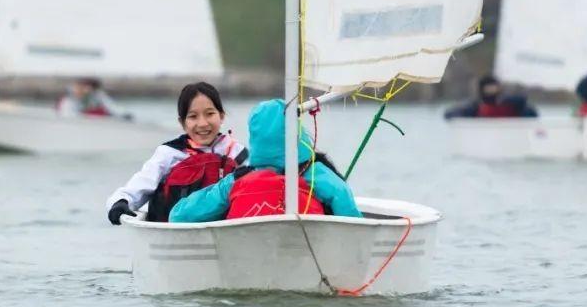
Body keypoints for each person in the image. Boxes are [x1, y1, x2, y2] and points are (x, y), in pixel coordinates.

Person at [168, 98, 362, 223]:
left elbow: (179, 215)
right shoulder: (317, 174)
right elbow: (352, 220)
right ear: (297, 131)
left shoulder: (237, 180)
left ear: (255, 136)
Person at [106, 82, 247, 225]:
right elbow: (140, 184)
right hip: (177, 227)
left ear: (221, 116)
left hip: (227, 227)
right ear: (182, 122)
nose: (203, 123)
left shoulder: (237, 152)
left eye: (210, 114)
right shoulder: (169, 153)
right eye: (193, 116)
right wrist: (120, 202)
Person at [443, 75, 538, 119]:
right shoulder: (475, 108)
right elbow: (449, 114)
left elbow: (533, 115)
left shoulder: (511, 105)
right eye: (488, 91)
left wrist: (518, 104)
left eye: (495, 90)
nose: (492, 95)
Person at [57, 78, 129, 118]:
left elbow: (113, 107)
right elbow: (69, 116)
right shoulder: (68, 100)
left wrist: (124, 115)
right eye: (80, 86)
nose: (86, 89)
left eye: (89, 87)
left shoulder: (98, 95)